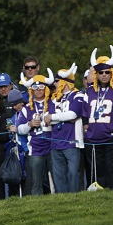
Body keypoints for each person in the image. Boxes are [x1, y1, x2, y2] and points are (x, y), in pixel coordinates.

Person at [82, 45, 113, 190]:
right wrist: (86, 129)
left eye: (107, 72)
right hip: (93, 138)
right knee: (97, 172)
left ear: (112, 73)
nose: (104, 75)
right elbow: (84, 112)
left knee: (112, 169)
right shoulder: (90, 90)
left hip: (110, 137)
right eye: (101, 72)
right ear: (96, 74)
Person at [44, 63, 85, 193]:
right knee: (58, 176)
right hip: (55, 142)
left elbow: (73, 114)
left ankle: (74, 200)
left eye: (57, 81)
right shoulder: (55, 98)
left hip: (72, 142)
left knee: (73, 174)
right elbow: (46, 117)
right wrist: (59, 117)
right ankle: (62, 201)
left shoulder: (78, 95)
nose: (54, 84)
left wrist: (54, 117)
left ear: (65, 82)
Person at [17, 69, 54, 195]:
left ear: (46, 89)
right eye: (35, 87)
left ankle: (60, 205)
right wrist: (29, 124)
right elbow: (19, 129)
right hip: (36, 149)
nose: (38, 89)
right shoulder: (27, 108)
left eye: (41, 86)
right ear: (31, 89)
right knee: (36, 183)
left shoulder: (53, 104)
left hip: (54, 147)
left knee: (56, 181)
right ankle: (37, 208)